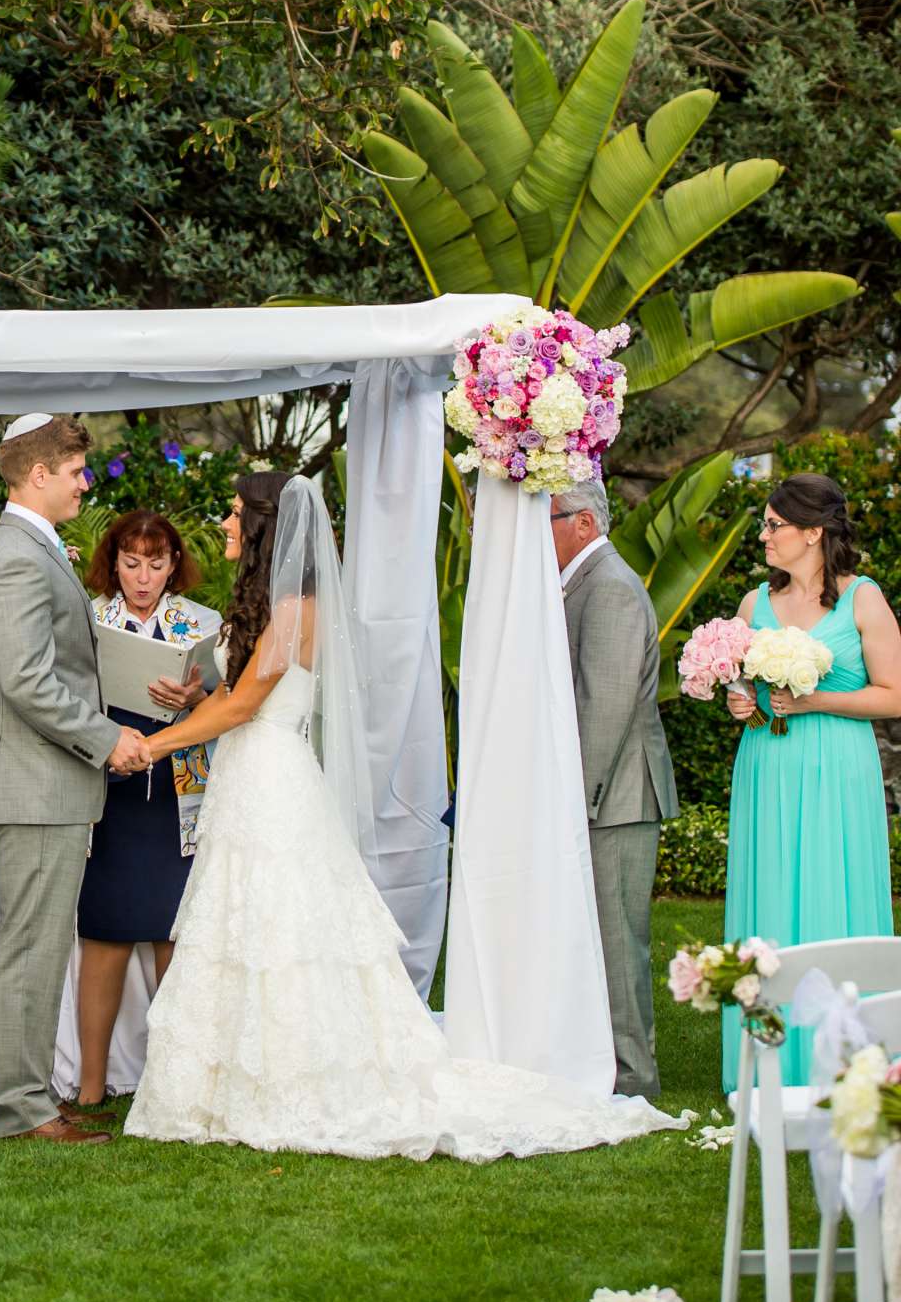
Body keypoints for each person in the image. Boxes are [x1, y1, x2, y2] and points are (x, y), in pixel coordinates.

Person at [123, 471, 681, 1161]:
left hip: (271, 777)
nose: (227, 524)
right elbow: (232, 693)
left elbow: (242, 708)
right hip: (249, 776)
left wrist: (150, 745)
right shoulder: (273, 605)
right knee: (246, 922)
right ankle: (233, 1079)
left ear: (265, 526)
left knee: (283, 925)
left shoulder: (300, 608)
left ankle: (295, 1076)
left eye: (236, 514)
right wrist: (190, 696)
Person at [0, 414, 149, 1144]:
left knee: (38, 946)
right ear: (37, 474)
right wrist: (107, 740)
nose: (84, 483)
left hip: (47, 783)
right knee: (29, 949)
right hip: (37, 784)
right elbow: (29, 681)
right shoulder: (14, 555)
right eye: (75, 471)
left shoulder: (31, 548)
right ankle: (22, 1108)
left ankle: (32, 1094)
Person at [722, 473, 901, 1091]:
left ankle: (840, 1061)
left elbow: (895, 695)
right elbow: (743, 686)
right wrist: (741, 703)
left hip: (838, 770)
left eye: (775, 525)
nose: (764, 535)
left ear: (813, 533)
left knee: (832, 890)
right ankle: (766, 1061)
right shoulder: (754, 604)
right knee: (768, 893)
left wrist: (817, 700)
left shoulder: (862, 600)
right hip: (768, 769)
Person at [75, 511, 220, 1109]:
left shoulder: (202, 623)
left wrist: (196, 695)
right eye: (131, 563)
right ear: (112, 563)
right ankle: (88, 1088)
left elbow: (229, 701)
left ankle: (172, 1084)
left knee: (171, 936)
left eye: (156, 564)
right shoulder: (87, 617)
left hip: (177, 798)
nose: (143, 577)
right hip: (107, 792)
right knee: (103, 937)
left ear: (173, 566)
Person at [550, 482, 678, 1103]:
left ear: (580, 521)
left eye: (544, 520)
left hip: (616, 797)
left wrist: (575, 803)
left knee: (617, 939)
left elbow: (603, 709)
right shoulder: (582, 581)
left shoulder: (611, 588)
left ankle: (634, 1077)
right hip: (601, 794)